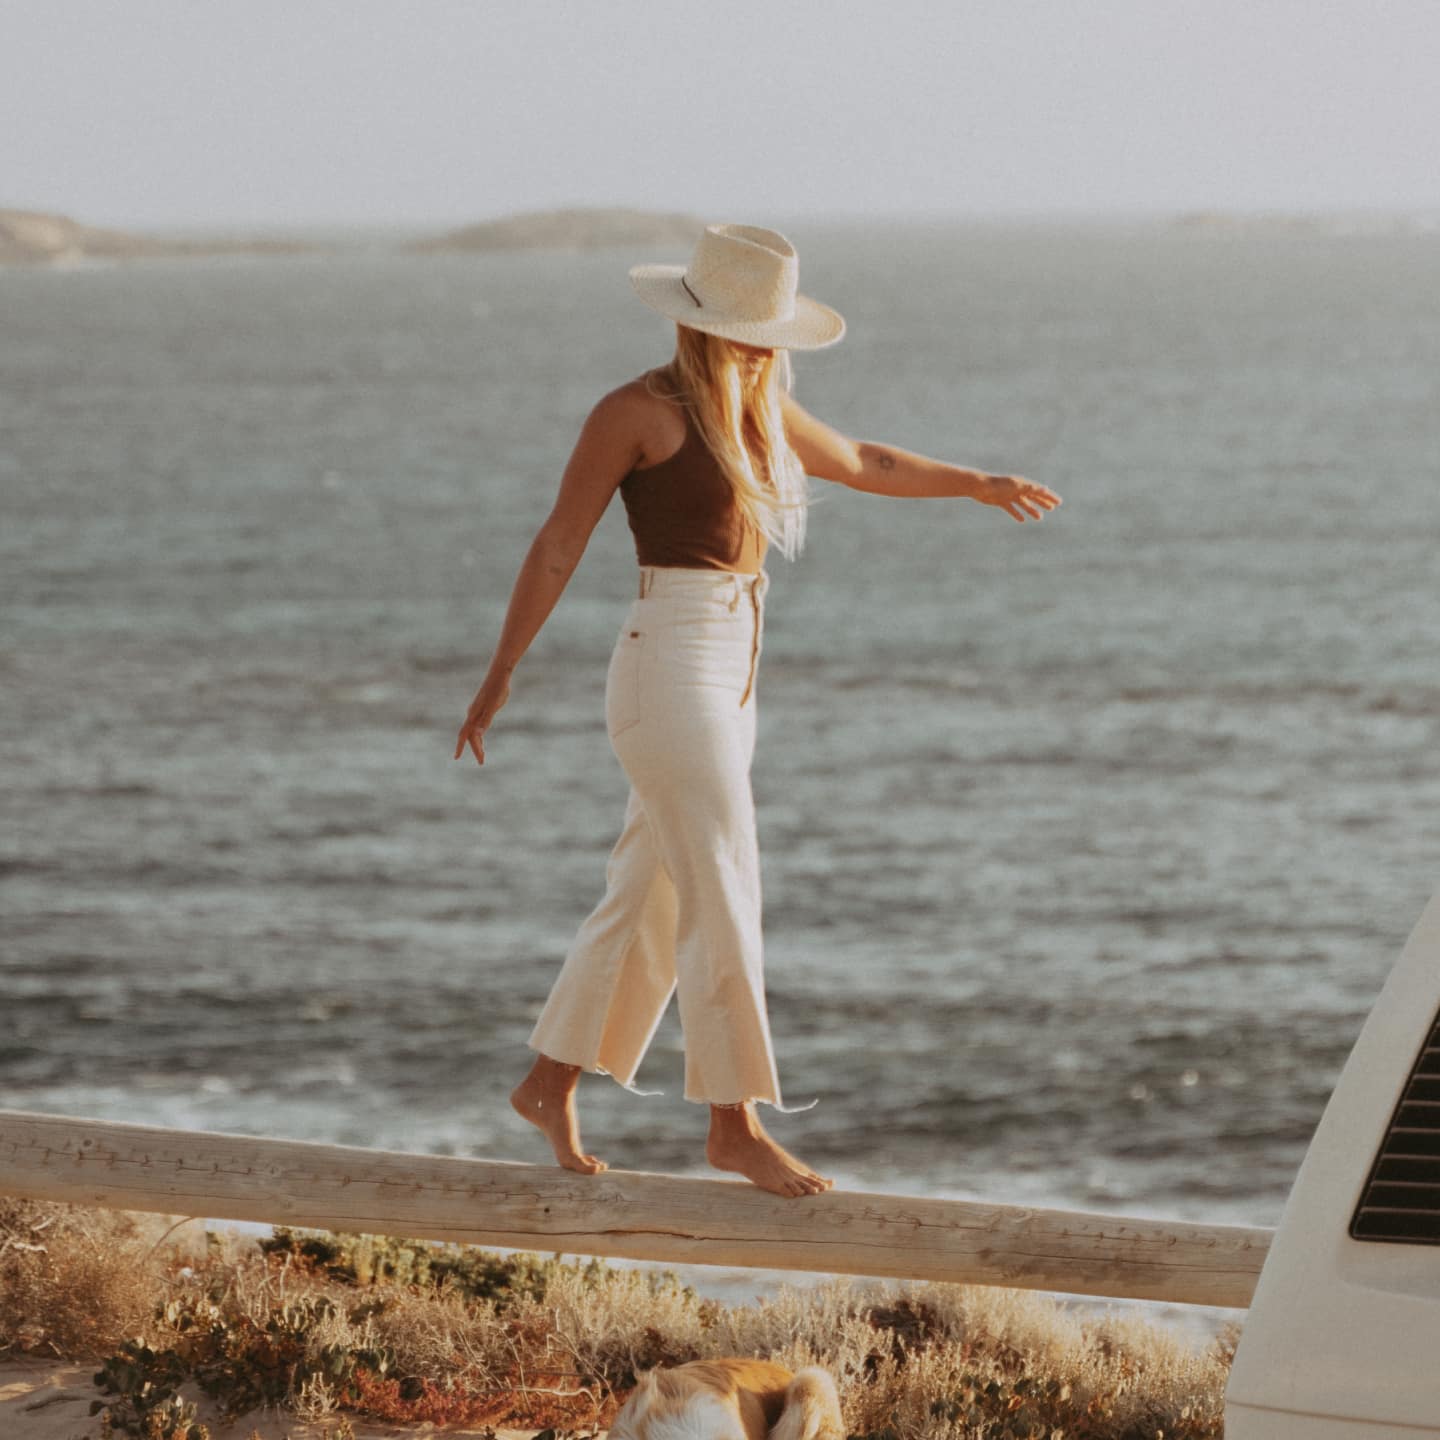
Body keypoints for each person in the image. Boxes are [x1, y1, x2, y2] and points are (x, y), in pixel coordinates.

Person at [454, 223, 1060, 1199]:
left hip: (732, 673)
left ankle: (546, 1080)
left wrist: (978, 484)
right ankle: (733, 1124)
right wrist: (500, 674)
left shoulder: (767, 410)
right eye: (750, 330)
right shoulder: (637, 413)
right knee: (723, 882)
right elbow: (559, 541)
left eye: (771, 332)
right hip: (668, 667)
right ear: (701, 326)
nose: (764, 347)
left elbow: (866, 459)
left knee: (647, 892)